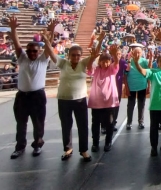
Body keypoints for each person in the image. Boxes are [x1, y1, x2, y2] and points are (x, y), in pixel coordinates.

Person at [7, 16, 55, 159]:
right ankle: (20, 147)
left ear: (38, 52)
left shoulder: (42, 60)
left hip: (37, 96)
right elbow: (16, 44)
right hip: (22, 96)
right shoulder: (22, 59)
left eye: (35, 51)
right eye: (30, 51)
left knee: (38, 123)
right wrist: (13, 28)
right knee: (21, 123)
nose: (32, 53)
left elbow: (49, 46)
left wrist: (51, 30)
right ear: (27, 52)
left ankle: (38, 144)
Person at [54, 31, 105, 162]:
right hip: (64, 100)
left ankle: (83, 150)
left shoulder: (83, 64)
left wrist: (100, 40)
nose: (76, 57)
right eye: (73, 55)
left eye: (78, 55)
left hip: (80, 99)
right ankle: (67, 148)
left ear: (81, 56)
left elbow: (95, 54)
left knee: (82, 125)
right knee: (66, 125)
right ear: (68, 55)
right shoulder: (63, 63)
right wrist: (48, 37)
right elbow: (49, 53)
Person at [133, 53, 161, 156]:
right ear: (157, 63)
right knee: (154, 129)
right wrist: (137, 62)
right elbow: (142, 71)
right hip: (155, 107)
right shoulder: (153, 72)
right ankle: (154, 147)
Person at [87, 44, 120, 153]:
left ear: (110, 62)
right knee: (95, 124)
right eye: (103, 61)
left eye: (107, 61)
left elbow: (116, 64)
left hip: (109, 102)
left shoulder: (111, 69)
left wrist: (114, 55)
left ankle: (108, 142)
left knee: (110, 124)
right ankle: (95, 143)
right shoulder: (96, 70)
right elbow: (88, 69)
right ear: (99, 61)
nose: (105, 64)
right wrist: (92, 58)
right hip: (97, 102)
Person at [125, 47, 149, 130]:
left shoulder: (144, 61)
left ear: (142, 53)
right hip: (131, 86)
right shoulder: (129, 61)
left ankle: (141, 122)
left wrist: (148, 85)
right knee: (130, 105)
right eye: (136, 52)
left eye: (139, 52)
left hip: (142, 86)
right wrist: (126, 88)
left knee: (141, 104)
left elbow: (149, 71)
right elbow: (125, 74)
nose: (137, 54)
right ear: (132, 53)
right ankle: (129, 122)